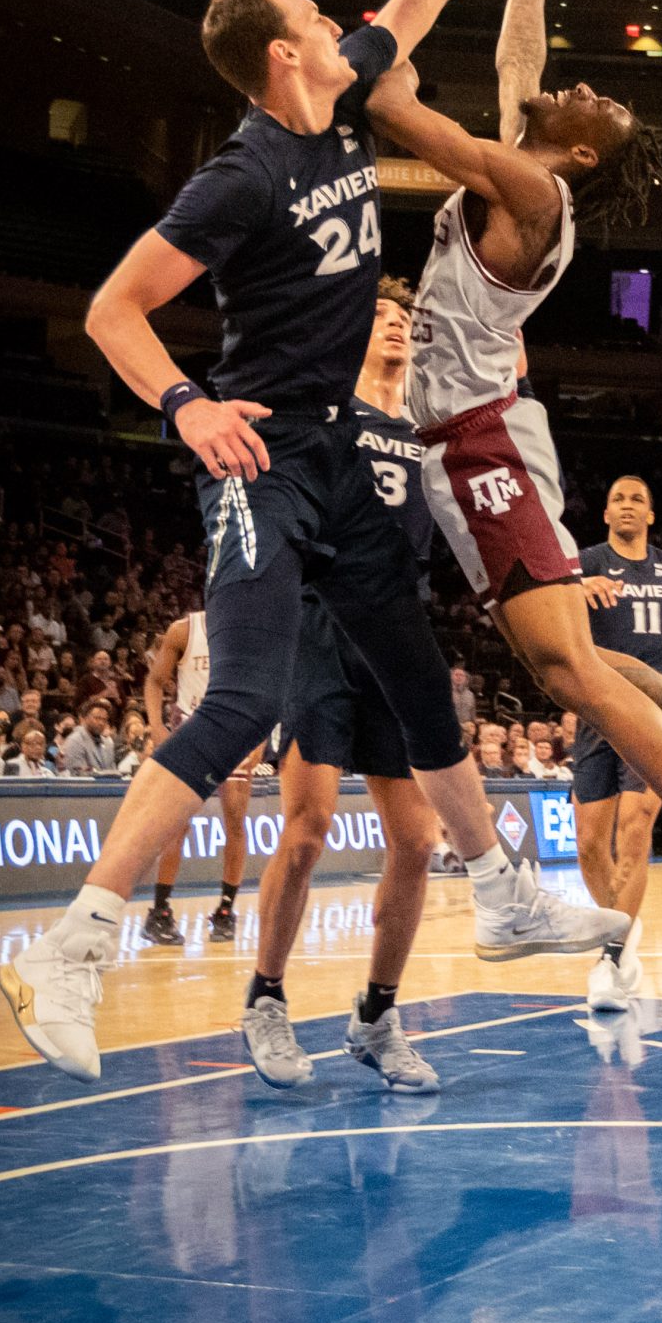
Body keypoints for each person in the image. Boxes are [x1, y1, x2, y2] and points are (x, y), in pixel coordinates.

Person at [0, 0, 621, 1085]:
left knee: (417, 679)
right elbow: (114, 310)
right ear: (285, 53)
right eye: (320, 23)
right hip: (263, 459)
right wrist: (184, 405)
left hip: (343, 456)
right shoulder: (238, 177)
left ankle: (499, 892)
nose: (349, 28)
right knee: (236, 704)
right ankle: (70, 947)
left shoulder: (340, 97)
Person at [367, 0, 662, 994]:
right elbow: (521, 66)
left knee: (570, 667)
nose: (581, 86)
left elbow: (391, 105)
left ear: (584, 148)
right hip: (454, 446)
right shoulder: (531, 165)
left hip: (482, 441)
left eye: (595, 100)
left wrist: (384, 30)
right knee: (574, 665)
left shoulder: (533, 190)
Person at [242, 279, 451, 1092]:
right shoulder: (325, 407)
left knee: (419, 842)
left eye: (406, 318)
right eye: (381, 315)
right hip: (321, 628)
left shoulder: (430, 426)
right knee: (307, 828)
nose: (396, 326)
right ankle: (265, 996)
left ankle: (377, 1016)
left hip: (398, 633)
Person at [570, 473, 662, 1009]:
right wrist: (574, 589)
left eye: (636, 499)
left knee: (636, 827)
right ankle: (621, 932)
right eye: (616, 498)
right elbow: (553, 620)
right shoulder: (586, 562)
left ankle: (614, 952)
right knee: (589, 842)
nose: (626, 505)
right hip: (598, 707)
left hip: (654, 713)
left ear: (650, 515)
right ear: (605, 514)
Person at [140, 610, 257, 947]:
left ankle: (225, 910)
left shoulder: (248, 628)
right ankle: (159, 911)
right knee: (177, 823)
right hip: (192, 725)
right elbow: (154, 680)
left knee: (235, 818)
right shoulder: (184, 629)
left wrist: (261, 737)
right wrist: (156, 726)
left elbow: (263, 687)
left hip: (235, 729)